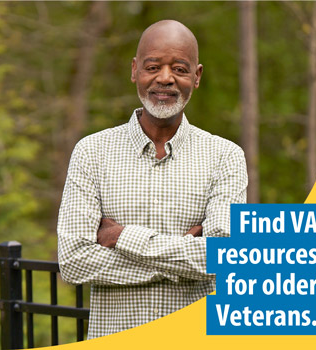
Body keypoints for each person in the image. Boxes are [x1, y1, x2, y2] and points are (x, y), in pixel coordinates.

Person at [57, 19, 248, 339]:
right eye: (153, 66)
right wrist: (186, 253)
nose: (165, 78)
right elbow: (74, 262)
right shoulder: (91, 153)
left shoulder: (225, 157)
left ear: (197, 76)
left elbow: (224, 259)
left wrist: (123, 238)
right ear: (135, 70)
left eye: (180, 68)